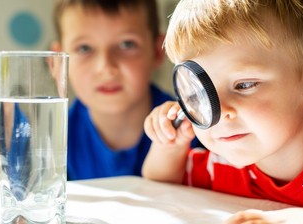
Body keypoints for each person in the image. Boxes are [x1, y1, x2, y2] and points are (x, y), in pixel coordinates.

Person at [142, 0, 303, 224]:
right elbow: (159, 185)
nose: (220, 113)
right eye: (199, 95)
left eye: (244, 85)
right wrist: (169, 146)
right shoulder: (222, 163)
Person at [51, 0, 198, 180]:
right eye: (84, 48)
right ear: (57, 61)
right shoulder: (53, 141)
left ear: (158, 51)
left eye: (126, 44)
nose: (106, 67)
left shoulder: (194, 127)